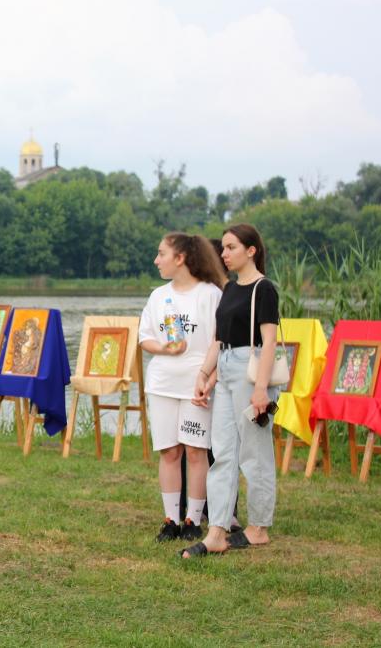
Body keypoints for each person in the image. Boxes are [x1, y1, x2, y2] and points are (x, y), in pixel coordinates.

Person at [182, 223, 280, 558]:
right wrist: (205, 374)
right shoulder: (230, 290)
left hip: (250, 370)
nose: (223, 254)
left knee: (254, 453)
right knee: (222, 451)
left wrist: (261, 389)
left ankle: (259, 528)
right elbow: (218, 339)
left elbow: (269, 342)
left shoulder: (264, 289)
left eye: (231, 247)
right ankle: (217, 531)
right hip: (225, 368)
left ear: (251, 251)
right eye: (223, 248)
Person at [139, 233, 224, 543]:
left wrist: (208, 377)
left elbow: (218, 339)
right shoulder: (158, 296)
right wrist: (165, 349)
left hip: (195, 386)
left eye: (161, 254)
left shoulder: (210, 294)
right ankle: (171, 520)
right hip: (162, 383)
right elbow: (145, 337)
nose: (156, 260)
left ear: (181, 258)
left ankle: (193, 519)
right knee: (169, 451)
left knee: (196, 450)